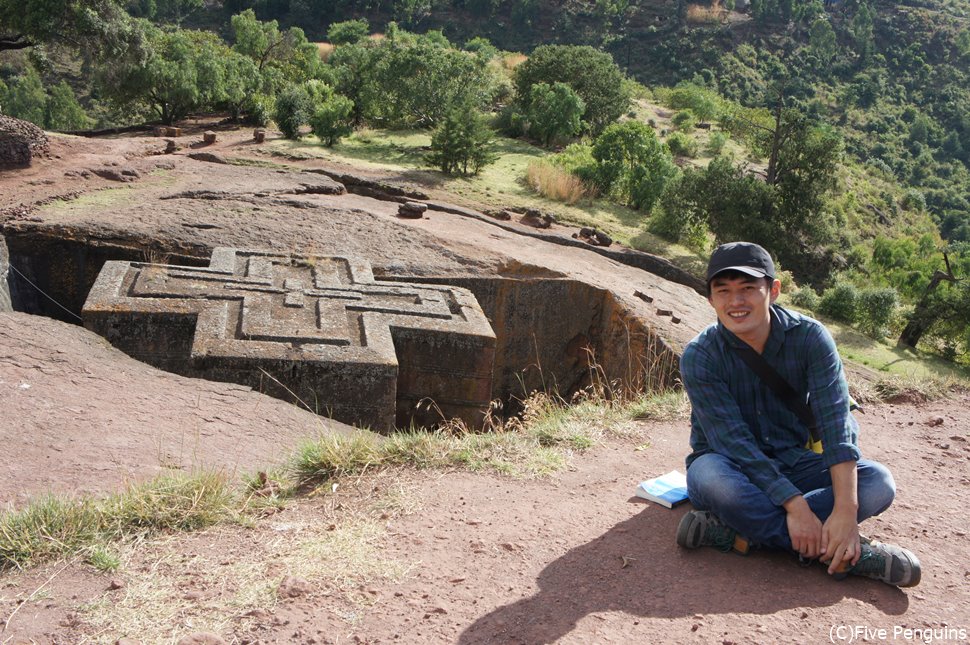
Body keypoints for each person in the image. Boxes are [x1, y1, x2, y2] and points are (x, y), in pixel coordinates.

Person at [675, 241, 921, 587]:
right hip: (728, 466)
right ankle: (849, 556)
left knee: (878, 483)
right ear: (711, 299)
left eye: (748, 289)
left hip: (795, 460)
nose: (736, 302)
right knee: (717, 482)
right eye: (724, 291)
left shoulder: (810, 339)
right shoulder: (701, 356)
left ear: (773, 290)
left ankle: (739, 536)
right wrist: (797, 508)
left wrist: (846, 513)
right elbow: (733, 443)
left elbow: (836, 422)